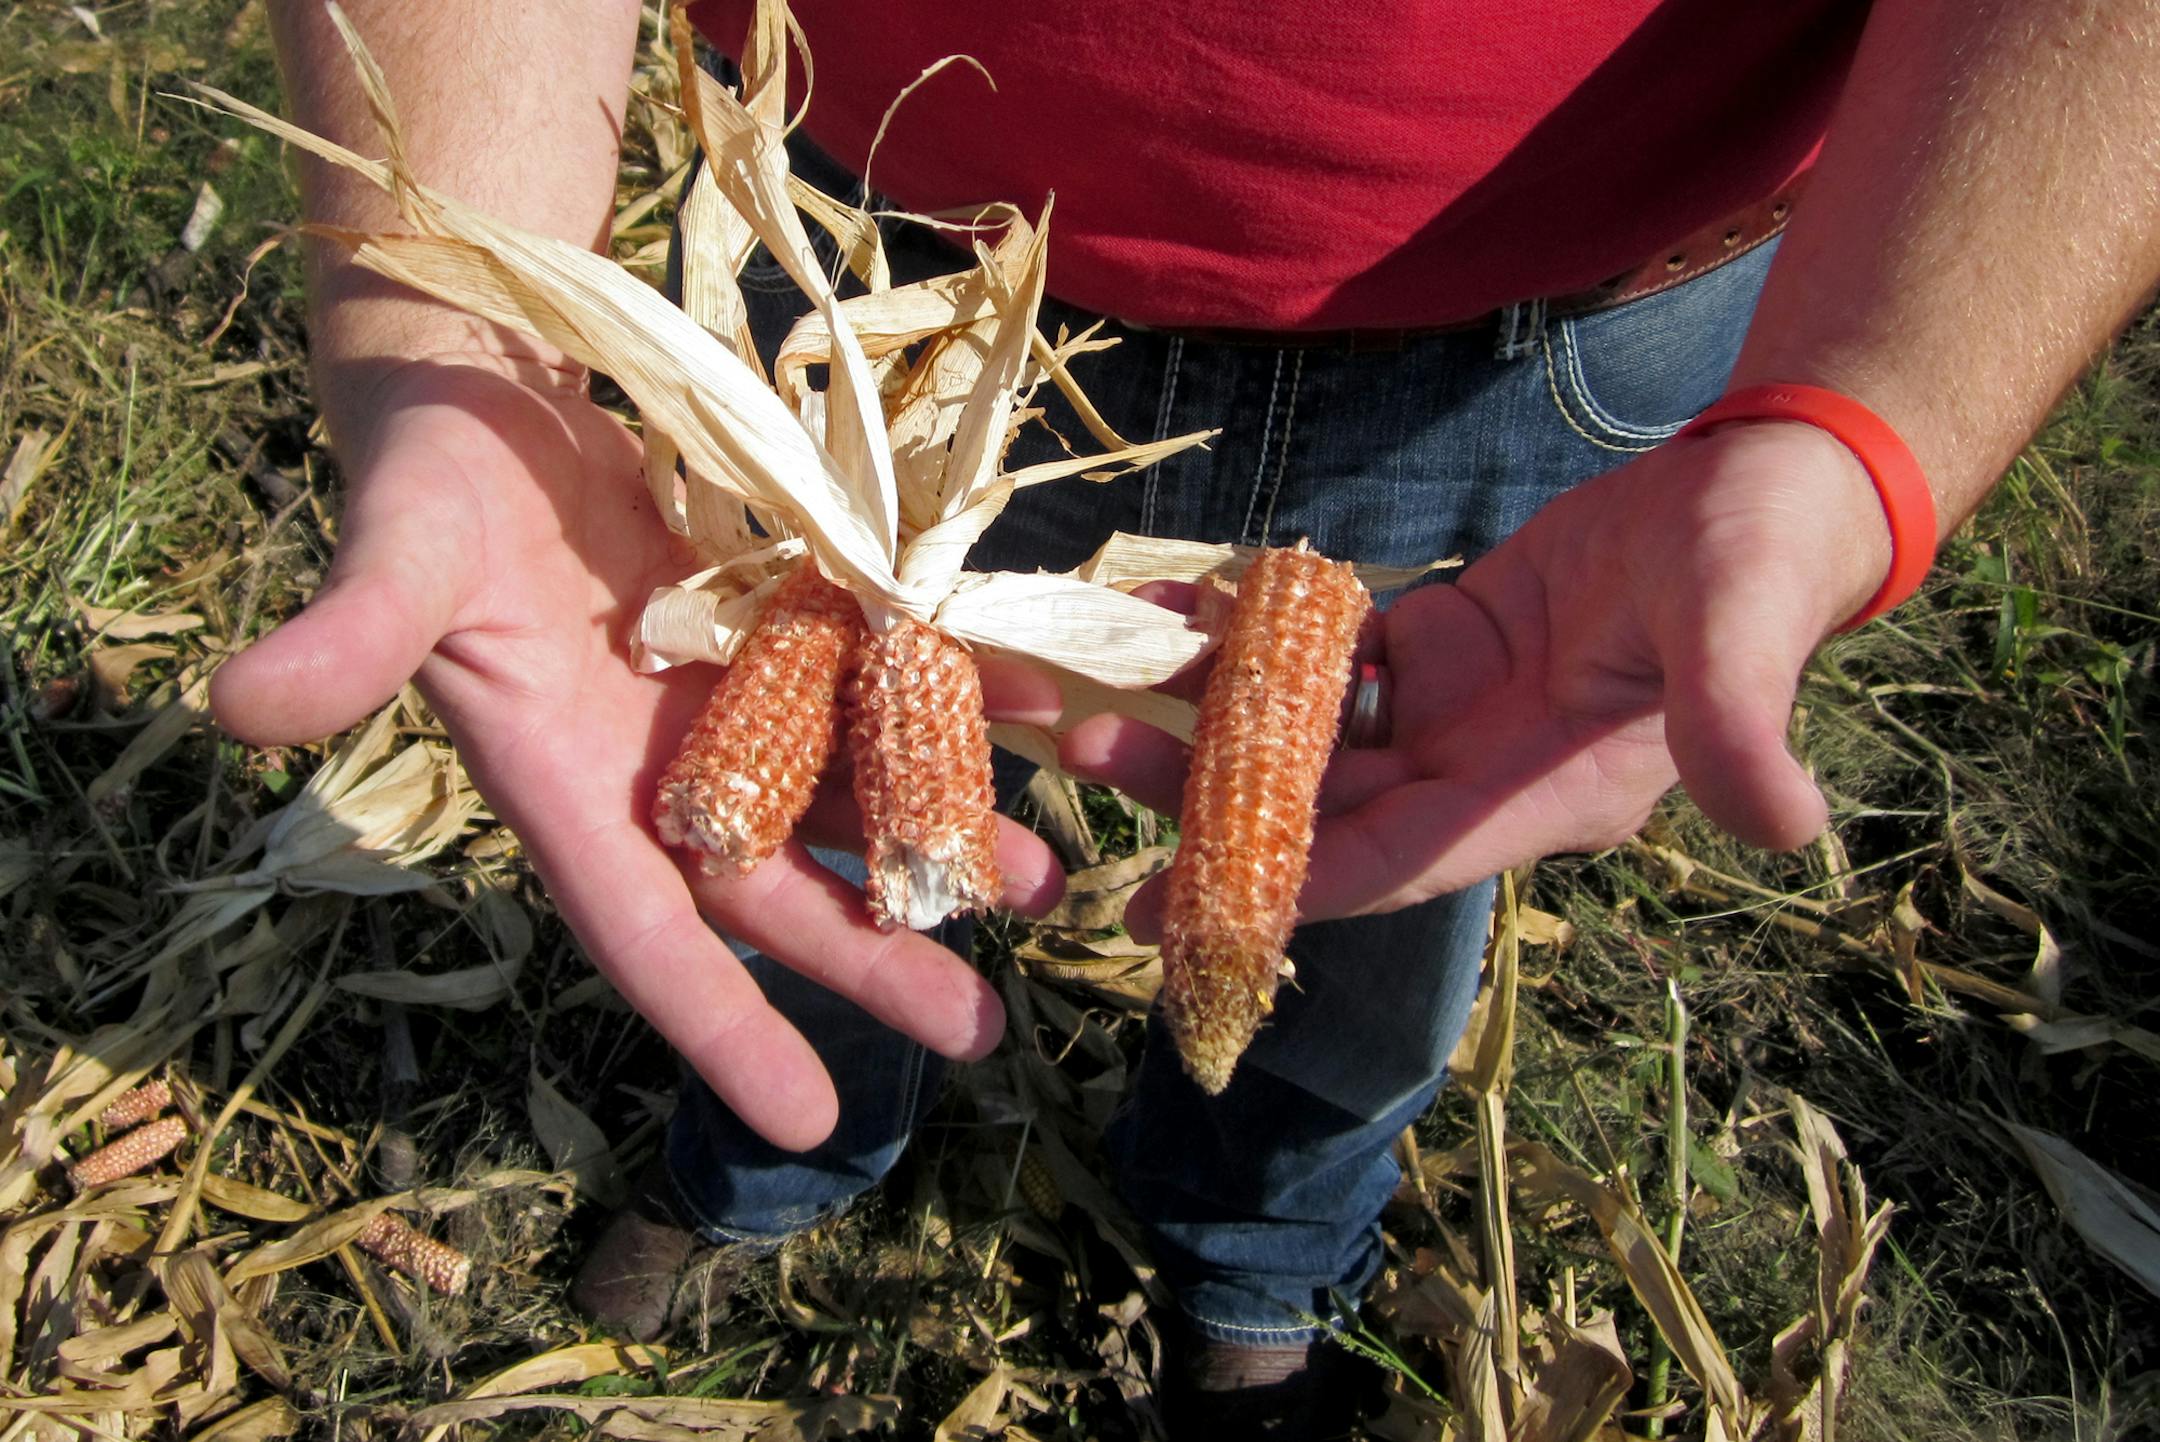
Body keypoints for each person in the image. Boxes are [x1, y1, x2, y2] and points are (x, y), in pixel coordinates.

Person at [213, 1, 2160, 1434]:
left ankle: (1261, 1249)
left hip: (1539, 342)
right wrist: (452, 351)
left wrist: (1874, 412)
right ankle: (783, 1162)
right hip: (897, 252)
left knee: (1385, 874)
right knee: (817, 798)